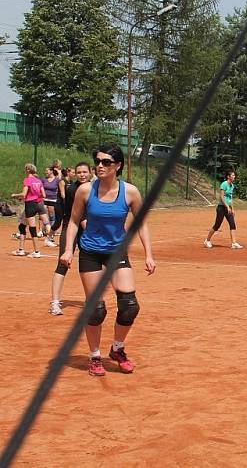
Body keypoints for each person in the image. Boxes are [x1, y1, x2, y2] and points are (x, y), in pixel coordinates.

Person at [60, 143, 156, 376]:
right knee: (96, 309)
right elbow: (73, 221)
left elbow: (141, 223)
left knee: (129, 306)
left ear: (118, 166)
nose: (100, 166)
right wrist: (68, 249)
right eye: (98, 162)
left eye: (106, 162)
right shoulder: (85, 190)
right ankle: (94, 357)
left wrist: (149, 254)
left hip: (116, 252)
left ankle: (117, 349)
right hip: (91, 251)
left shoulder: (130, 192)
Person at [49, 162, 91, 315]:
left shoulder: (95, 188)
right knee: (63, 263)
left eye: (85, 172)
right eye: (79, 172)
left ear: (90, 172)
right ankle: (55, 303)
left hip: (87, 228)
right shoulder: (73, 189)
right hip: (71, 228)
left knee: (89, 265)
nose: (82, 174)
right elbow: (79, 216)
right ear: (74, 173)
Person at [10, 163, 48, 258]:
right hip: (38, 204)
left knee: (32, 228)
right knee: (22, 226)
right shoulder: (38, 181)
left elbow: (23, 194)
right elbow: (43, 195)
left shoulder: (27, 180)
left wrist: (15, 195)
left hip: (30, 205)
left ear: (27, 170)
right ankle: (21, 250)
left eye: (25, 169)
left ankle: (36, 251)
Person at [203, 170, 243, 249]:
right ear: (228, 176)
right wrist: (227, 207)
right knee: (217, 225)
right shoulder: (224, 184)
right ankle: (207, 241)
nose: (234, 177)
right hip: (221, 207)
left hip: (228, 208)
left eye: (234, 175)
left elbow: (230, 198)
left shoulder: (232, 186)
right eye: (232, 175)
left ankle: (234, 243)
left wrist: (232, 208)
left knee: (232, 224)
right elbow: (221, 197)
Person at [41, 166, 61, 247]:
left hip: (53, 200)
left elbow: (60, 188)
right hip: (44, 199)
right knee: (44, 216)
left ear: (52, 171)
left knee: (52, 217)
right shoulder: (43, 179)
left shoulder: (57, 180)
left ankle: (50, 235)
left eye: (47, 170)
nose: (46, 172)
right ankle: (45, 232)